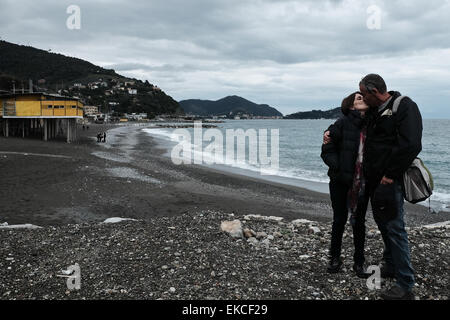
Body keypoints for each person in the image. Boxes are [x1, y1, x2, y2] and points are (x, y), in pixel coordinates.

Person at [325, 74, 422, 300]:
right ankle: (390, 265)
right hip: (373, 183)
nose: (362, 98)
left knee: (395, 228)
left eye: (363, 93)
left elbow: (411, 144)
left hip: (389, 182)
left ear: (373, 91)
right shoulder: (375, 112)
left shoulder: (404, 106)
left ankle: (405, 283)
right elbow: (350, 125)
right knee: (385, 225)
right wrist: (329, 132)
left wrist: (389, 176)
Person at [321, 92, 371, 279]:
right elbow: (327, 149)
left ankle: (359, 262)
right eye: (358, 98)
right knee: (339, 220)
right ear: (350, 106)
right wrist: (339, 168)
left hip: (363, 183)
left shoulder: (373, 124)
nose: (363, 99)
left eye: (364, 97)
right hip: (340, 181)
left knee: (359, 223)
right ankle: (334, 258)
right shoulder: (341, 123)